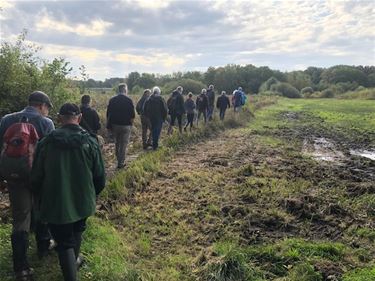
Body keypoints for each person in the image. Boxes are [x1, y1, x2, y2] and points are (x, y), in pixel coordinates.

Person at [31, 103, 105, 281]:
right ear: (79, 118)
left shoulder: (45, 143)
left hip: (56, 203)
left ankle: (71, 270)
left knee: (64, 243)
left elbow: (36, 177)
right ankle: (73, 266)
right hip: (83, 201)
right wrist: (92, 194)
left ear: (59, 118)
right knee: (77, 232)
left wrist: (39, 197)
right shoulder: (90, 141)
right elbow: (100, 177)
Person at [0, 91, 55, 281]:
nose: (47, 112)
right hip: (38, 176)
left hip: (15, 178)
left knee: (20, 218)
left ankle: (21, 268)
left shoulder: (6, 120)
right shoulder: (46, 123)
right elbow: (51, 153)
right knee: (41, 210)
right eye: (48, 108)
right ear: (42, 106)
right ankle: (43, 246)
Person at [106, 83, 135, 169]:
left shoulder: (112, 100)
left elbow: (108, 113)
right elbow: (132, 115)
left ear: (119, 90)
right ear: (125, 90)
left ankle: (119, 159)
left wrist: (109, 125)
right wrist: (131, 124)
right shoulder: (129, 100)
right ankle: (121, 162)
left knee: (117, 143)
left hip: (115, 124)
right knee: (124, 144)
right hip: (126, 125)